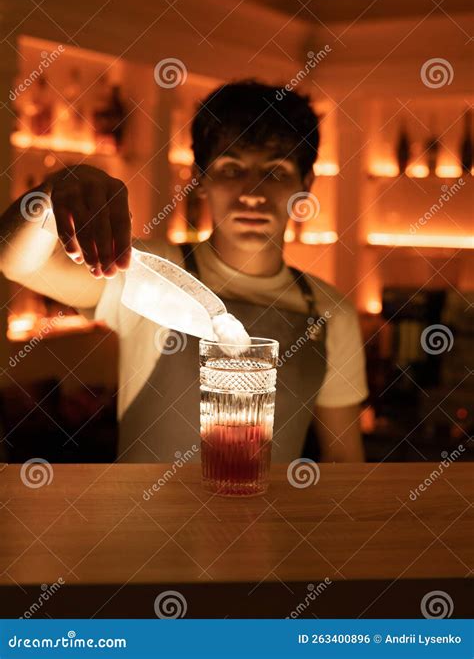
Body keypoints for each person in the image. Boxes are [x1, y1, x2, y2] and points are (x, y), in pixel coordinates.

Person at [0, 80, 368, 463]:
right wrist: (52, 192)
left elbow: (346, 463)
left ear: (306, 185)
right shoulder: (147, 274)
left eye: (275, 172)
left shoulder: (330, 313)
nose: (252, 193)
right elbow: (16, 262)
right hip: (140, 522)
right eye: (231, 168)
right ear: (200, 179)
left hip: (266, 521)